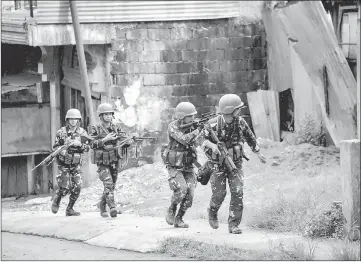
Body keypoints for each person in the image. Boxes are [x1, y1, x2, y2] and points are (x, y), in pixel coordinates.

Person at [197, 94, 266, 234]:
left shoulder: (240, 122)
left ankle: (233, 224)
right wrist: (211, 145)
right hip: (217, 165)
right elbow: (199, 139)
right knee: (219, 194)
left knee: (238, 191)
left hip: (236, 164)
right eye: (237, 109)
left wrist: (258, 152)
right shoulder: (212, 124)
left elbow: (250, 137)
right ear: (229, 110)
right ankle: (212, 211)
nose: (240, 111)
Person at [88, 103, 132, 218]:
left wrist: (128, 140)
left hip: (114, 161)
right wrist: (105, 139)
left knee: (111, 186)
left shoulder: (116, 127)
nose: (108, 116)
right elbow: (91, 143)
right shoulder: (96, 129)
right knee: (108, 184)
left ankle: (102, 206)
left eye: (109, 114)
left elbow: (124, 140)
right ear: (101, 116)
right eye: (105, 114)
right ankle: (112, 207)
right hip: (102, 163)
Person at [162, 102, 202, 228]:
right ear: (182, 117)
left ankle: (179, 218)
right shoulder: (172, 126)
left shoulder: (193, 127)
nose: (193, 118)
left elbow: (197, 143)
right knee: (181, 190)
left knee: (190, 194)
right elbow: (184, 139)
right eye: (190, 116)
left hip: (188, 165)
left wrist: (203, 131)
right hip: (175, 166)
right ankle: (172, 209)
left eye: (193, 116)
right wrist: (198, 130)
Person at [51, 108, 90, 216]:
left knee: (78, 186)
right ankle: (57, 199)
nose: (73, 121)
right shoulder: (61, 132)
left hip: (76, 164)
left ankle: (70, 209)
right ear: (67, 120)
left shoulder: (82, 133)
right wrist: (62, 151)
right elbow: (55, 148)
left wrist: (80, 145)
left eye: (75, 119)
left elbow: (87, 148)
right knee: (64, 187)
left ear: (79, 120)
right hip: (64, 164)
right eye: (71, 119)